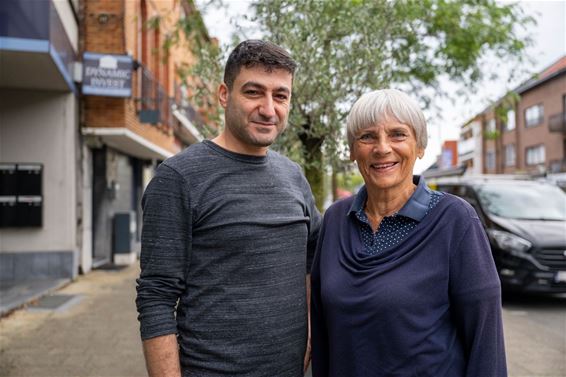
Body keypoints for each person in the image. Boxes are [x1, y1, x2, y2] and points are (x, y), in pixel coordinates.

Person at [136, 40, 321, 377]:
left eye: (281, 96)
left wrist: (309, 325)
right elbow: (156, 297)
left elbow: (313, 257)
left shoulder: (294, 176)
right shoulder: (179, 178)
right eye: (254, 92)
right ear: (224, 94)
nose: (269, 109)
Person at [311, 89, 506, 377]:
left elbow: (485, 339)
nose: (382, 148)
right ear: (352, 151)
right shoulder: (336, 220)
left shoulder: (455, 219)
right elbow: (322, 329)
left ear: (420, 147)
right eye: (367, 137)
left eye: (398, 135)